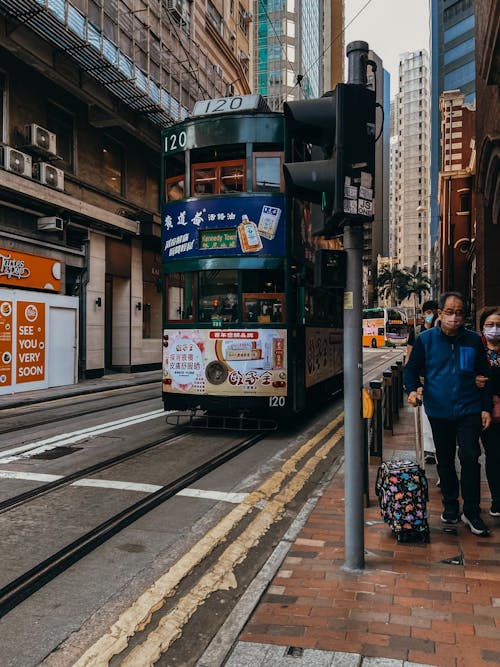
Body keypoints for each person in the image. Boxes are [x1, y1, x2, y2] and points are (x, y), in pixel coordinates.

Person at [403, 291, 493, 536]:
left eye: (460, 313)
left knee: (470, 457)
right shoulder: (426, 340)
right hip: (439, 410)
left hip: (469, 408)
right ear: (439, 314)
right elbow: (410, 370)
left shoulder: (473, 341)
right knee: (444, 460)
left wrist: (485, 407)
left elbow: (485, 375)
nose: (454, 317)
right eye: (449, 312)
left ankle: (472, 511)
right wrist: (412, 390)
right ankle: (451, 505)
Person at [406, 300, 439, 465]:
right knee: (425, 416)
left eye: (433, 312)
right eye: (428, 312)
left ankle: (438, 451)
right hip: (421, 380)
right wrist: (410, 384)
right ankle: (428, 450)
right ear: (423, 314)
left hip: (438, 381)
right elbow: (409, 358)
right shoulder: (417, 333)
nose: (430, 315)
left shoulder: (441, 332)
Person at [475, 308, 500, 517]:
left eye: (498, 325)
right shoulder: (476, 349)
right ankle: (497, 499)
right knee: (493, 455)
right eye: (490, 325)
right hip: (485, 411)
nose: (494, 329)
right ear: (482, 327)